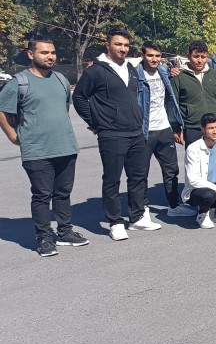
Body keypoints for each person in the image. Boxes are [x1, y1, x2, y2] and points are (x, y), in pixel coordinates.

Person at [0, 35, 88, 256]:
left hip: (66, 147)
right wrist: (12, 135)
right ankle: (44, 238)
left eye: (52, 52)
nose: (50, 56)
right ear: (31, 54)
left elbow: (63, 109)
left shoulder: (60, 79)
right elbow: (2, 110)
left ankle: (65, 231)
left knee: (63, 193)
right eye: (44, 52)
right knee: (41, 195)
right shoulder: (18, 82)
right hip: (37, 151)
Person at [73, 27, 158, 241]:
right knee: (112, 179)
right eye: (118, 44)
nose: (122, 49)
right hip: (112, 134)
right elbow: (80, 98)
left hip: (135, 131)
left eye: (126, 45)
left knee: (138, 176)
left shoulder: (130, 67)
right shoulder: (96, 71)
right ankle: (115, 222)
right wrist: (96, 122)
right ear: (108, 44)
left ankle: (137, 217)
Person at [136, 41, 195, 219]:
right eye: (150, 55)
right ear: (142, 55)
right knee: (140, 173)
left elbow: (169, 100)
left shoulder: (163, 72)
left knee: (171, 171)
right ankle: (142, 210)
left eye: (157, 56)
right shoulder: (135, 75)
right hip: (144, 131)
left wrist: (175, 127)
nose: (154, 59)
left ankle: (173, 205)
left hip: (164, 128)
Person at [171, 40, 216, 147]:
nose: (200, 60)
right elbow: (173, 105)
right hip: (193, 128)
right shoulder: (178, 77)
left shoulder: (214, 74)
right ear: (189, 56)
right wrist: (176, 129)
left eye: (203, 57)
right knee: (195, 161)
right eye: (196, 56)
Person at [182, 113, 216, 229]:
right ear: (203, 129)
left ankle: (214, 207)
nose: (215, 131)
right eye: (211, 128)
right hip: (199, 190)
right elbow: (193, 180)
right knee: (208, 195)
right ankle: (202, 213)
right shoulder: (193, 149)